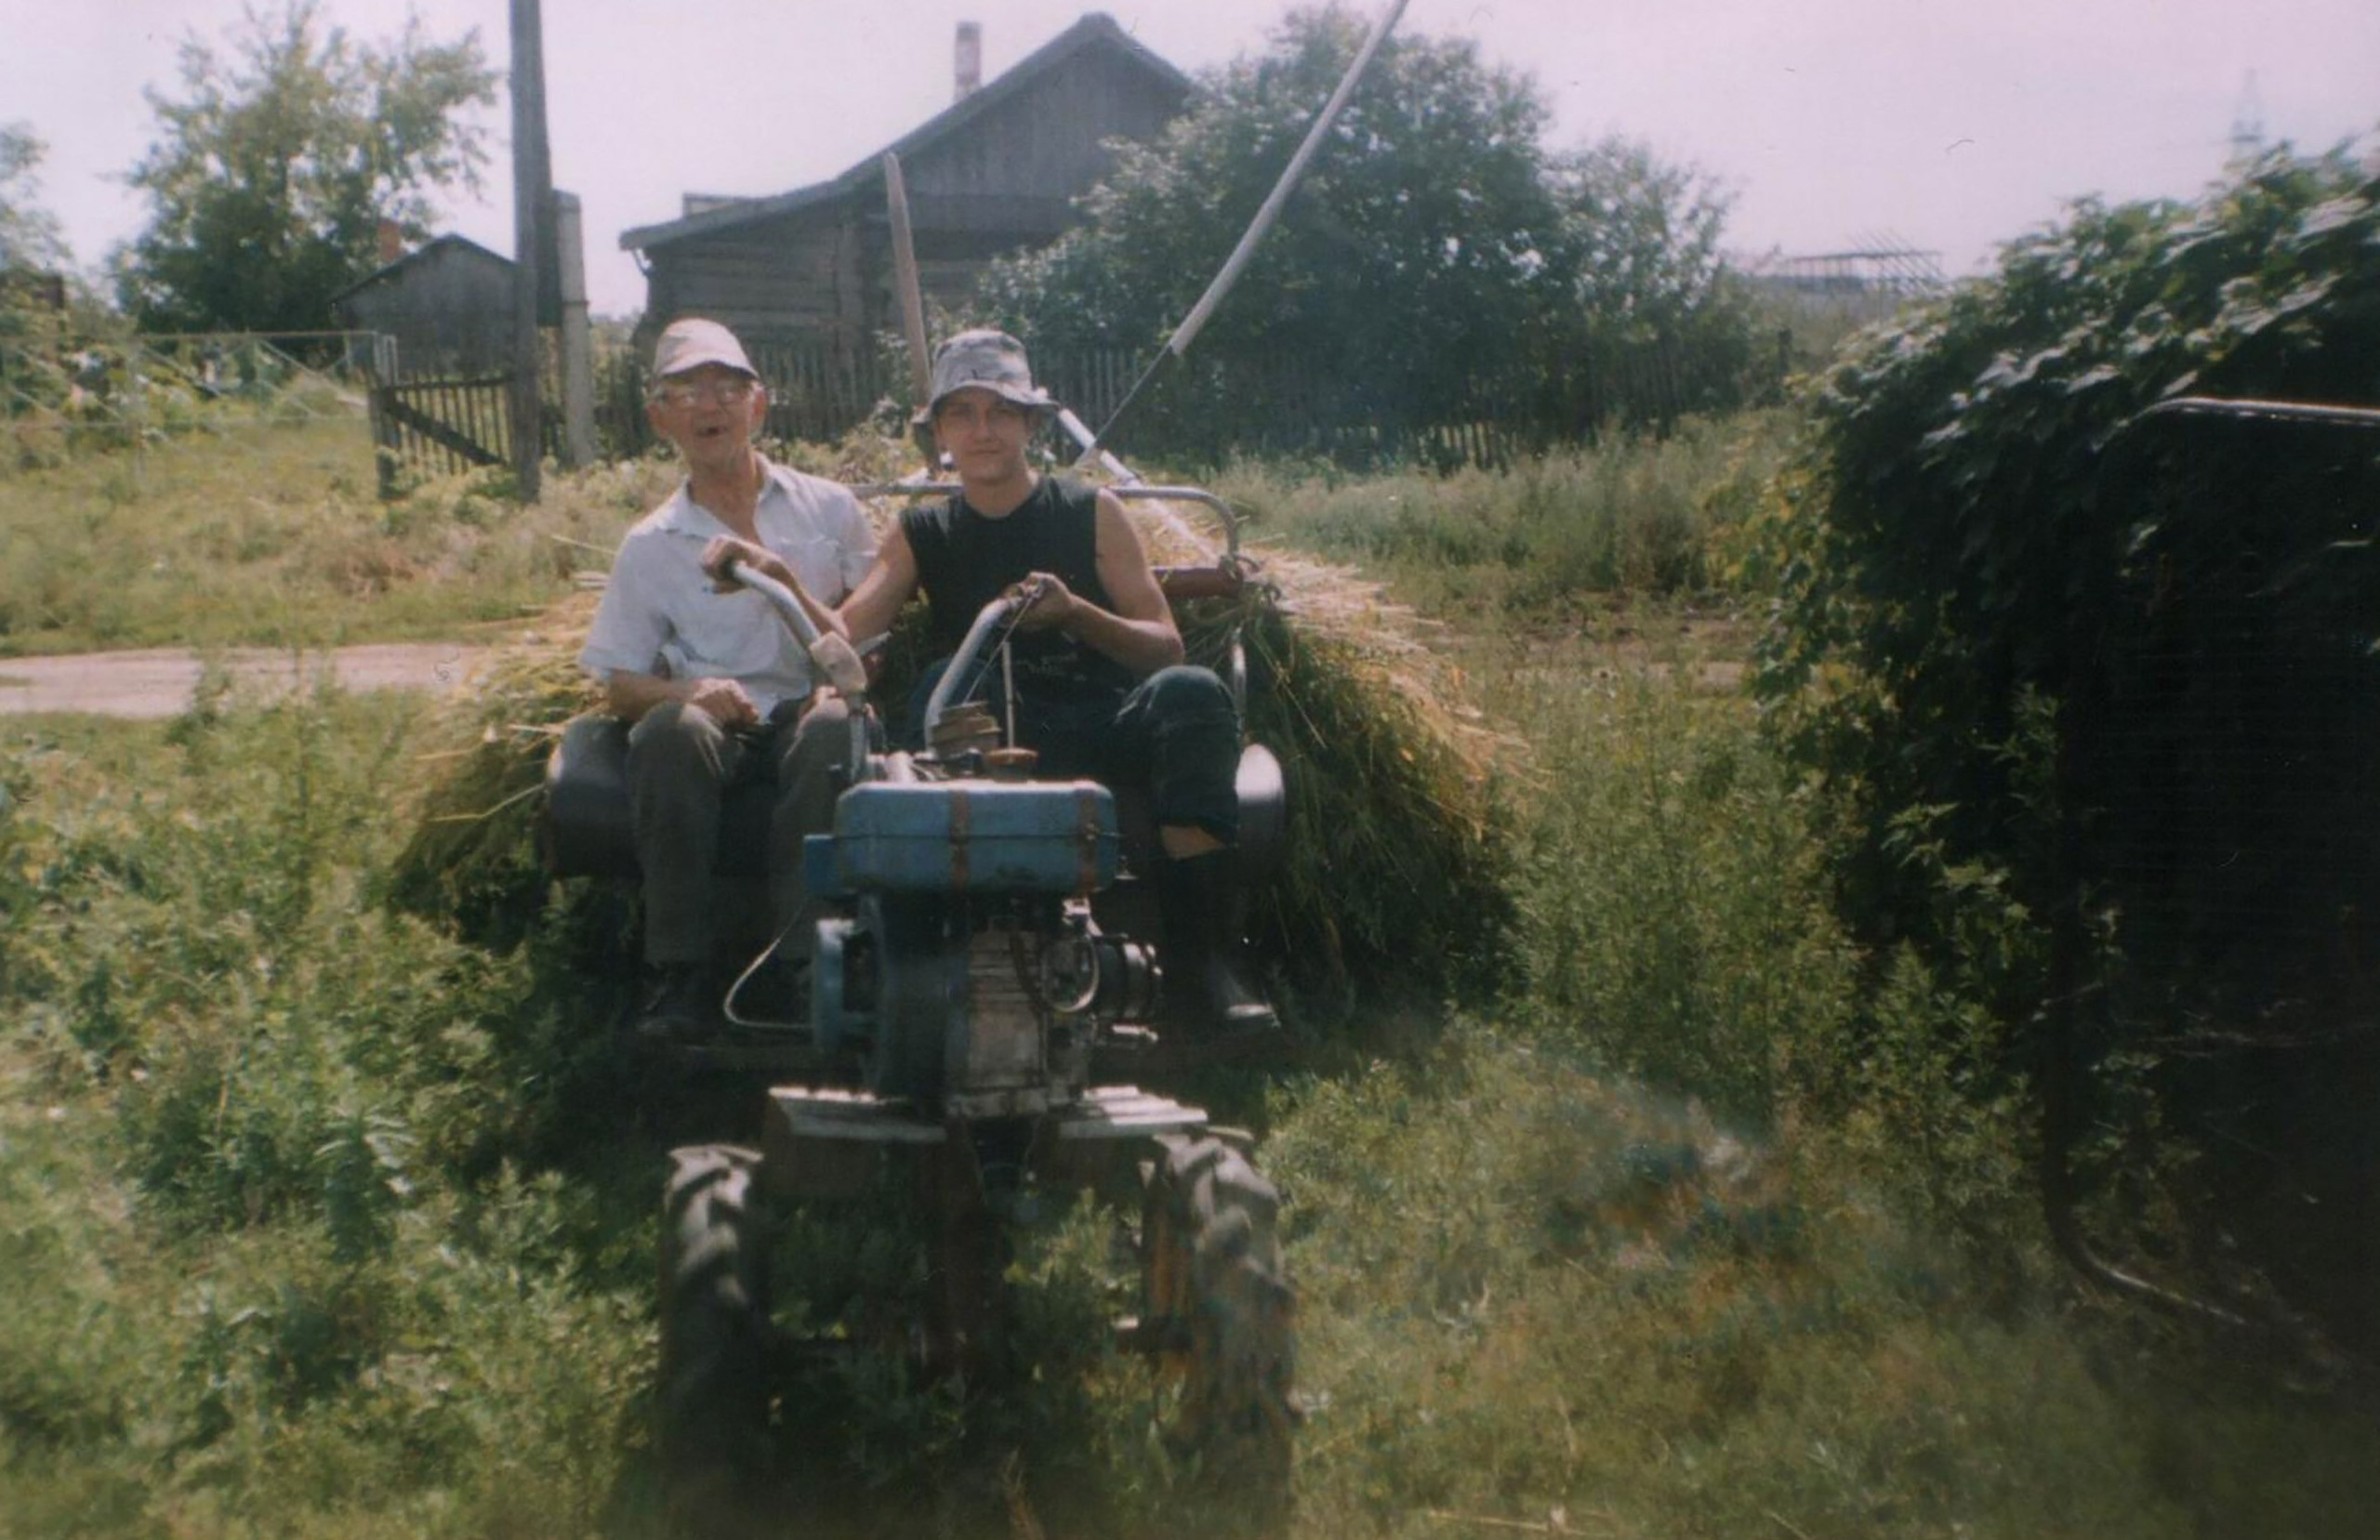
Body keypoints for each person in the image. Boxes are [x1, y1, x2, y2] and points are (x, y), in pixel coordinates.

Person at [837, 328, 1280, 1056]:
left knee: (1193, 691)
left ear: (1031, 425)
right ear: (939, 430)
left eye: (1002, 412)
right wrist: (775, 588)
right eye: (963, 413)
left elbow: (1161, 644)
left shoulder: (1090, 510)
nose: (982, 431)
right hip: (987, 726)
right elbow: (849, 627)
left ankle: (1206, 959)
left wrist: (1076, 611)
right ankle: (930, 958)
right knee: (927, 696)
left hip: (1098, 717)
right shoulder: (922, 528)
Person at [580, 317, 876, 1040]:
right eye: (686, 394)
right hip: (722, 724)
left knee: (837, 728)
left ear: (758, 406)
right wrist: (687, 693)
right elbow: (617, 681)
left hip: (813, 703)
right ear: (660, 419)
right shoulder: (651, 543)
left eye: (726, 389)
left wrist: (837, 685)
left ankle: (807, 968)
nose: (709, 408)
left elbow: (875, 635)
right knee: (666, 733)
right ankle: (677, 974)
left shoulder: (831, 508)